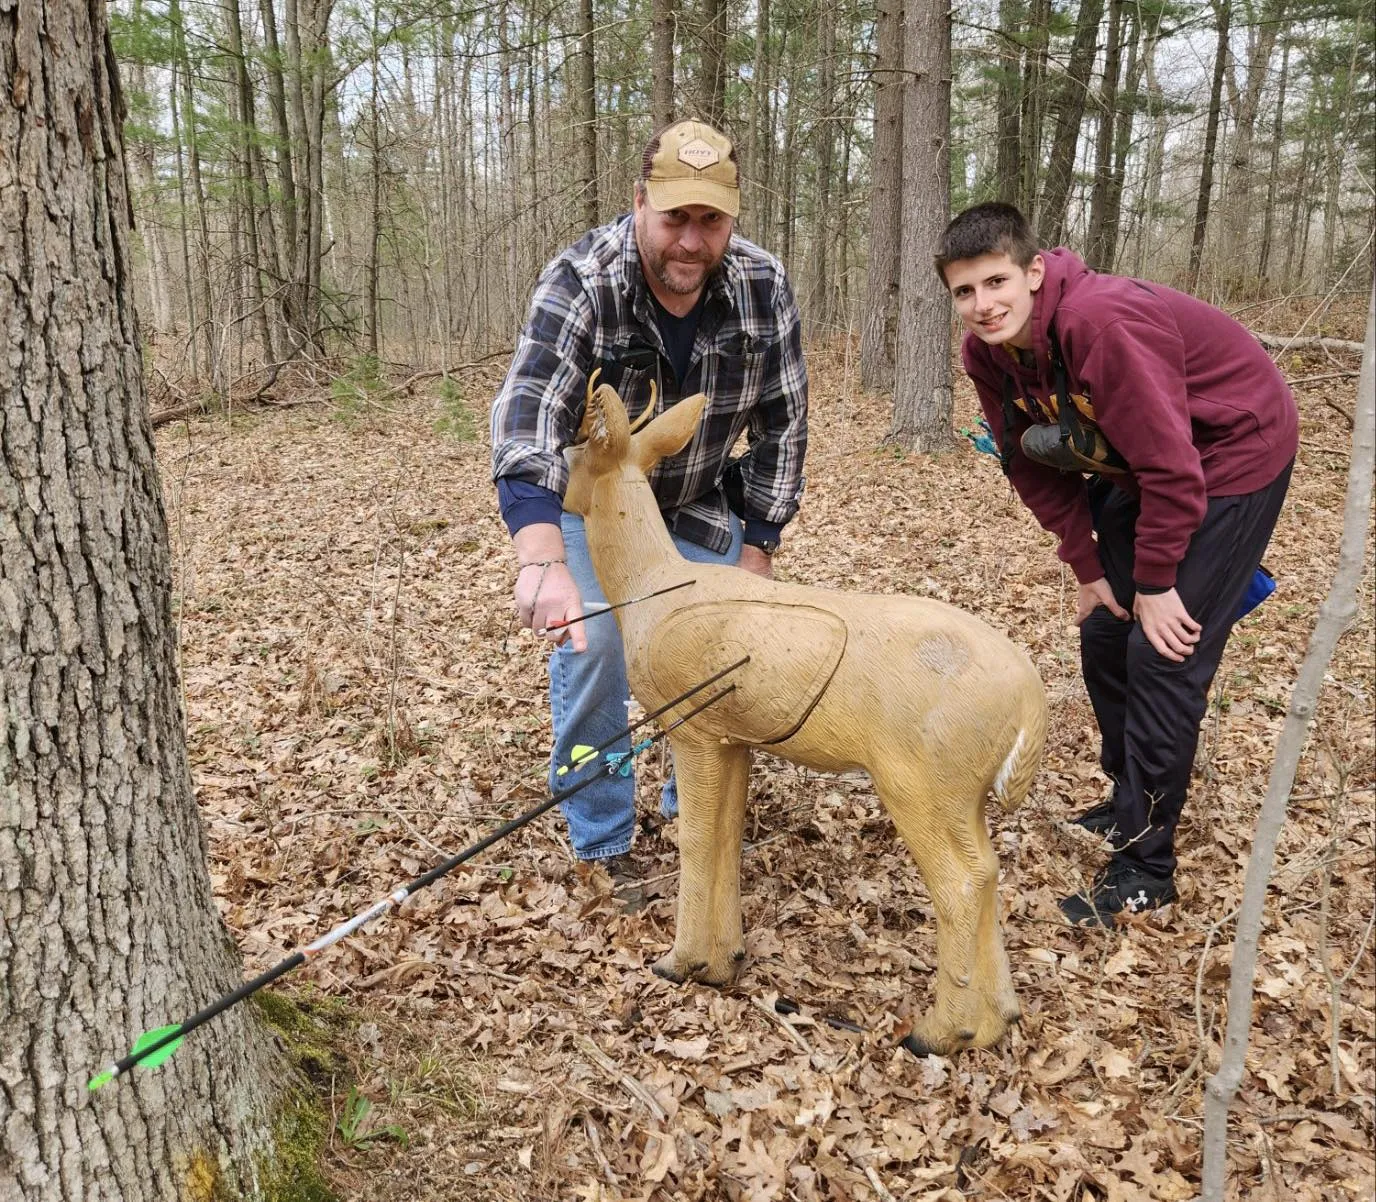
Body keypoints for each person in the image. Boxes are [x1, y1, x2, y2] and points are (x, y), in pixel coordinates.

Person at [935, 202, 1297, 926]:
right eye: (964, 291)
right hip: (1147, 465)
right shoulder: (987, 355)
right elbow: (1026, 463)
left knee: (1163, 655)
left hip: (1234, 452)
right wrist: (1087, 565)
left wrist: (1159, 583)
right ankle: (1127, 798)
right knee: (1106, 627)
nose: (983, 305)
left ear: (1034, 272)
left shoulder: (1100, 323)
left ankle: (1146, 867)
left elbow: (1175, 469)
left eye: (996, 281)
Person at [490, 119, 808, 879]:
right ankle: (603, 839)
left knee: (723, 653)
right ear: (640, 202)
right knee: (597, 647)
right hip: (592, 511)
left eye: (711, 220)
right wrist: (540, 558)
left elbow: (784, 423)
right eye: (674, 218)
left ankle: (697, 808)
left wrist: (759, 544)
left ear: (732, 216)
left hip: (697, 502)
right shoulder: (583, 280)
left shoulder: (762, 285)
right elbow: (529, 413)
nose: (691, 242)